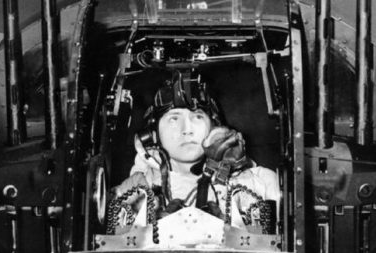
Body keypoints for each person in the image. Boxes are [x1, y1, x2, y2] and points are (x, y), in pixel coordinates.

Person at [106, 71, 279, 234]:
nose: (186, 129)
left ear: (215, 127)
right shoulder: (134, 190)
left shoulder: (259, 184)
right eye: (174, 118)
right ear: (153, 134)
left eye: (197, 117)